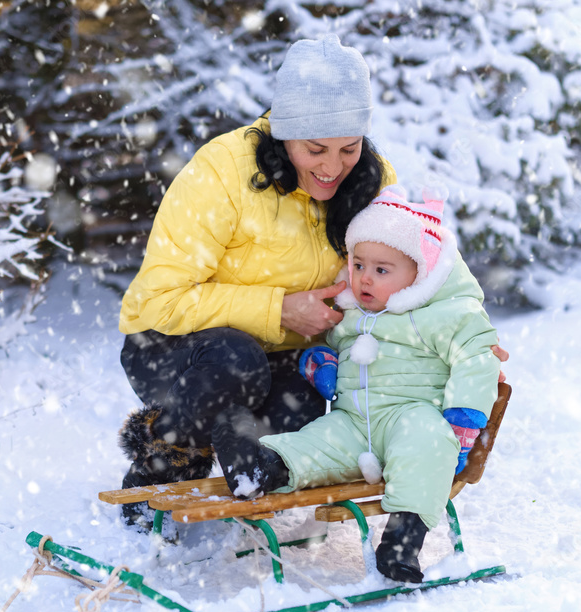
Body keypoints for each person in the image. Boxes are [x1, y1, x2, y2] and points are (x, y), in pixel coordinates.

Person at [114, 34, 398, 528]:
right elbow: (153, 302)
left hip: (283, 359)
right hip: (173, 348)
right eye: (315, 149)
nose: (332, 167)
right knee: (234, 361)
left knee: (301, 415)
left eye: (348, 148)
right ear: (284, 133)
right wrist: (278, 309)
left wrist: (464, 333)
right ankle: (162, 462)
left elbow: (419, 265)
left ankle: (234, 441)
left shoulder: (371, 180)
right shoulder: (222, 173)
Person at [212, 184, 501, 584]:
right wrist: (321, 361)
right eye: (359, 264)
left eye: (382, 270)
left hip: (411, 416)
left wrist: (463, 419)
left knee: (426, 444)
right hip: (352, 422)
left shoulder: (446, 314)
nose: (365, 278)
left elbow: (476, 359)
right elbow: (332, 346)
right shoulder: (351, 312)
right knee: (313, 442)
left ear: (422, 272)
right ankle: (260, 468)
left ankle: (402, 543)